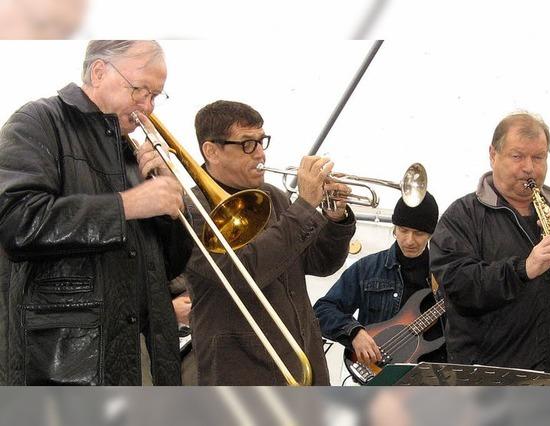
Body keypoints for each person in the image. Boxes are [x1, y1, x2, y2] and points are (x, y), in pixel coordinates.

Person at [0, 40, 192, 385]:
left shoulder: (130, 150)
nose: (147, 107)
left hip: (144, 357)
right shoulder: (37, 121)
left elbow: (171, 267)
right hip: (67, 365)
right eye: (139, 90)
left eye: (155, 96)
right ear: (99, 72)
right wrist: (127, 205)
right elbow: (18, 222)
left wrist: (170, 213)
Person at [429, 111, 550, 385]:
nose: (529, 168)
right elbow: (459, 286)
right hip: (491, 382)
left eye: (538, 157)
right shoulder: (462, 215)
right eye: (517, 156)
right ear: (493, 155)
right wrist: (523, 269)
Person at [180, 100, 356, 385]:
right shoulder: (192, 210)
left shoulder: (274, 196)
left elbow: (321, 263)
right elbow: (244, 272)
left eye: (262, 142)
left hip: (301, 358)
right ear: (211, 150)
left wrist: (335, 218)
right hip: (241, 369)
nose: (260, 153)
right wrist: (304, 206)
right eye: (247, 144)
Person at [314, 194, 446, 369]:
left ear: (431, 234)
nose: (409, 240)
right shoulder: (367, 269)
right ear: (394, 228)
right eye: (403, 230)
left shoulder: (445, 273)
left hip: (431, 377)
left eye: (419, 233)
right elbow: (321, 311)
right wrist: (354, 333)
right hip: (376, 374)